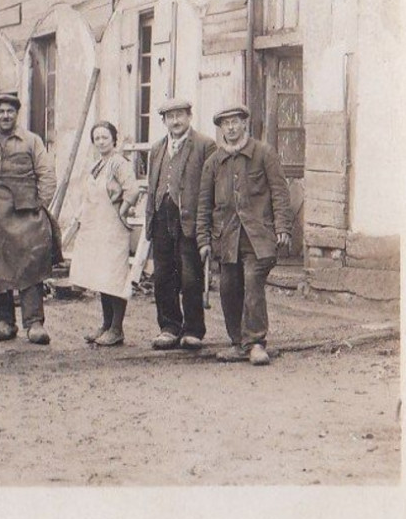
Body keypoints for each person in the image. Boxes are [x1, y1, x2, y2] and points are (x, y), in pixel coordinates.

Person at [196, 104, 293, 366]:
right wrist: (203, 240)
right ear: (221, 128)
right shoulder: (213, 162)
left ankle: (256, 342)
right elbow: (204, 204)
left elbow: (280, 193)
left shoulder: (264, 153)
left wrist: (283, 227)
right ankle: (238, 343)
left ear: (244, 124)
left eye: (235, 122)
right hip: (226, 238)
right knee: (229, 289)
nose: (231, 127)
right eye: (225, 123)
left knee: (252, 284)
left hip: (258, 237)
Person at [0, 92, 57, 345]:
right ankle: (4, 322)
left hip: (25, 212)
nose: (5, 115)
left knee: (31, 265)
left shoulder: (32, 141)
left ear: (17, 114)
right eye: (0, 111)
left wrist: (40, 204)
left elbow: (47, 174)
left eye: (10, 111)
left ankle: (34, 323)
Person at [145, 98, 216, 350]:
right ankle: (169, 327)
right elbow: (152, 187)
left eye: (180, 116)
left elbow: (211, 188)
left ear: (189, 117)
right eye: (170, 117)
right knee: (163, 276)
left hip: (190, 220)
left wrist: (207, 226)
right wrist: (149, 222)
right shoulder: (156, 149)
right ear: (164, 121)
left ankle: (193, 329)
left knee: (190, 277)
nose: (175, 121)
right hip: (161, 218)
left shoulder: (205, 145)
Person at [68, 122, 141, 347]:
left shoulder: (119, 163)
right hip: (96, 228)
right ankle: (106, 324)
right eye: (97, 138)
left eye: (105, 137)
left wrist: (122, 209)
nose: (101, 141)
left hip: (113, 229)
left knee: (114, 278)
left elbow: (133, 190)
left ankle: (117, 329)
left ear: (113, 139)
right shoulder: (97, 165)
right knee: (101, 277)